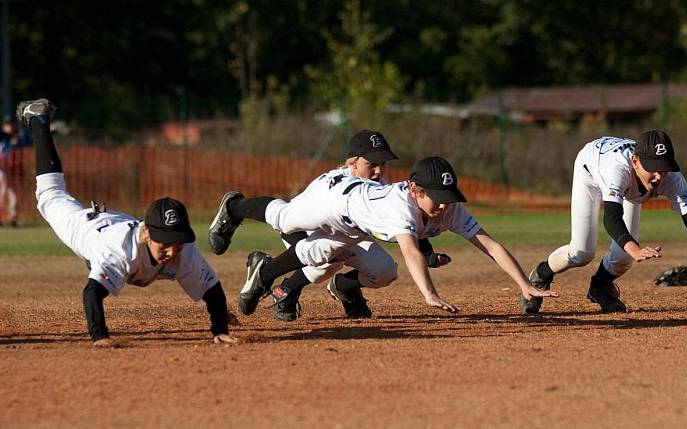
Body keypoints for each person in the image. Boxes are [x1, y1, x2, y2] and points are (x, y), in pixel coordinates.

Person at [211, 156, 559, 316]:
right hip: (335, 200)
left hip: (354, 227)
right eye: (436, 197)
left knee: (317, 259)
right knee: (283, 218)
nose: (444, 206)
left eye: (448, 198)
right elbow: (409, 251)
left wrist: (522, 284)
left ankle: (265, 273)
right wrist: (430, 294)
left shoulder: (448, 207)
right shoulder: (399, 208)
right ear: (414, 190)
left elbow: (489, 244)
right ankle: (235, 206)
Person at [18, 98, 237, 347]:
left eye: (175, 242)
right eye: (164, 243)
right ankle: (38, 119)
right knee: (50, 195)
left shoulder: (181, 249)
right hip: (88, 229)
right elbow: (92, 293)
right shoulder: (119, 251)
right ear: (147, 234)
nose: (171, 250)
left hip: (122, 222)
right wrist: (100, 336)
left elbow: (212, 290)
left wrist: (219, 328)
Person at [209, 130, 453, 321]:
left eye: (383, 163)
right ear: (352, 163)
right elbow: (292, 229)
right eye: (372, 164)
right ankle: (237, 212)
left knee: (384, 271)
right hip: (308, 231)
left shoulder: (379, 181)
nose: (379, 170)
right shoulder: (332, 187)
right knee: (302, 236)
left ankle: (343, 287)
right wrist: (324, 249)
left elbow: (407, 218)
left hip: (349, 236)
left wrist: (428, 254)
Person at [522, 131, 687, 314]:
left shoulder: (670, 177)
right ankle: (541, 274)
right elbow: (612, 218)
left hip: (629, 186)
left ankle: (599, 288)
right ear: (635, 161)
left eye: (663, 168)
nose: (658, 176)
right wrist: (635, 248)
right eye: (653, 167)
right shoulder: (617, 169)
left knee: (623, 256)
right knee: (582, 253)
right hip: (590, 169)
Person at [0, 118, 27, 227]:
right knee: (2, 193)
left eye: (10, 125)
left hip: (15, 169)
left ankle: (13, 219)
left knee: (14, 195)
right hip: (3, 169)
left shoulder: (19, 137)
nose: (9, 127)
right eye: (7, 125)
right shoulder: (2, 136)